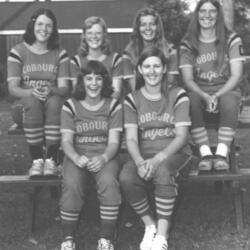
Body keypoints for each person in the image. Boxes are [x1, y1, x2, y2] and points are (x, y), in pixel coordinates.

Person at [120, 47, 191, 250]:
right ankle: (149, 226)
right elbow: (132, 139)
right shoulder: (132, 99)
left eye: (157, 66)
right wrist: (140, 162)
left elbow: (181, 136)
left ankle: (161, 236)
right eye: (147, 66)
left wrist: (157, 159)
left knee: (162, 170)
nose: (152, 71)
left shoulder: (178, 94)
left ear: (164, 68)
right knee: (126, 176)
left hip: (175, 154)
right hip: (145, 155)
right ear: (140, 70)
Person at [60, 60, 122, 250]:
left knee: (108, 182)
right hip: (77, 155)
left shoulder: (113, 105)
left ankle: (106, 239)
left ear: (105, 82)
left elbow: (114, 142)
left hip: (105, 155)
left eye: (98, 78)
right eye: (88, 78)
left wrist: (103, 158)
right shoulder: (70, 105)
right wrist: (76, 157)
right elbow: (66, 142)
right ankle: (68, 238)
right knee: (72, 183)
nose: (93, 83)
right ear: (81, 81)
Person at [179, 0, 245, 171]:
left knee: (230, 99)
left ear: (218, 14)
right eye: (203, 11)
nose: (207, 15)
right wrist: (205, 96)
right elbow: (187, 79)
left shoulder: (231, 38)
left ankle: (222, 153)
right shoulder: (188, 42)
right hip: (200, 91)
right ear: (197, 14)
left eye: (212, 11)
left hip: (226, 90)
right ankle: (206, 154)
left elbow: (236, 75)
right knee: (189, 100)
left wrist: (217, 95)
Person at [7, 8, 70, 178]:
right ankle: (36, 160)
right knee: (33, 103)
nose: (44, 29)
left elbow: (64, 89)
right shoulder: (18, 51)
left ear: (53, 29)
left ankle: (51, 159)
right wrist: (31, 92)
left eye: (49, 25)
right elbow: (13, 89)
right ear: (32, 25)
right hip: (24, 106)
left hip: (51, 107)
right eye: (40, 24)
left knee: (56, 101)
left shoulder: (60, 53)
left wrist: (51, 90)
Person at [123, 7, 179, 92]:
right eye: (143, 24)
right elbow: (134, 88)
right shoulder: (128, 53)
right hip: (139, 98)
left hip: (165, 96)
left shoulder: (170, 50)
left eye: (152, 24)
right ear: (138, 28)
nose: (148, 28)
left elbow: (170, 84)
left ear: (158, 27)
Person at [70, 16, 123, 99]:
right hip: (84, 107)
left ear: (104, 35)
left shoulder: (115, 59)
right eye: (89, 33)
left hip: (109, 106)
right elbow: (77, 93)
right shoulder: (76, 62)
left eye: (98, 33)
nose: (94, 36)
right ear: (84, 36)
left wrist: (101, 106)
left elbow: (116, 93)